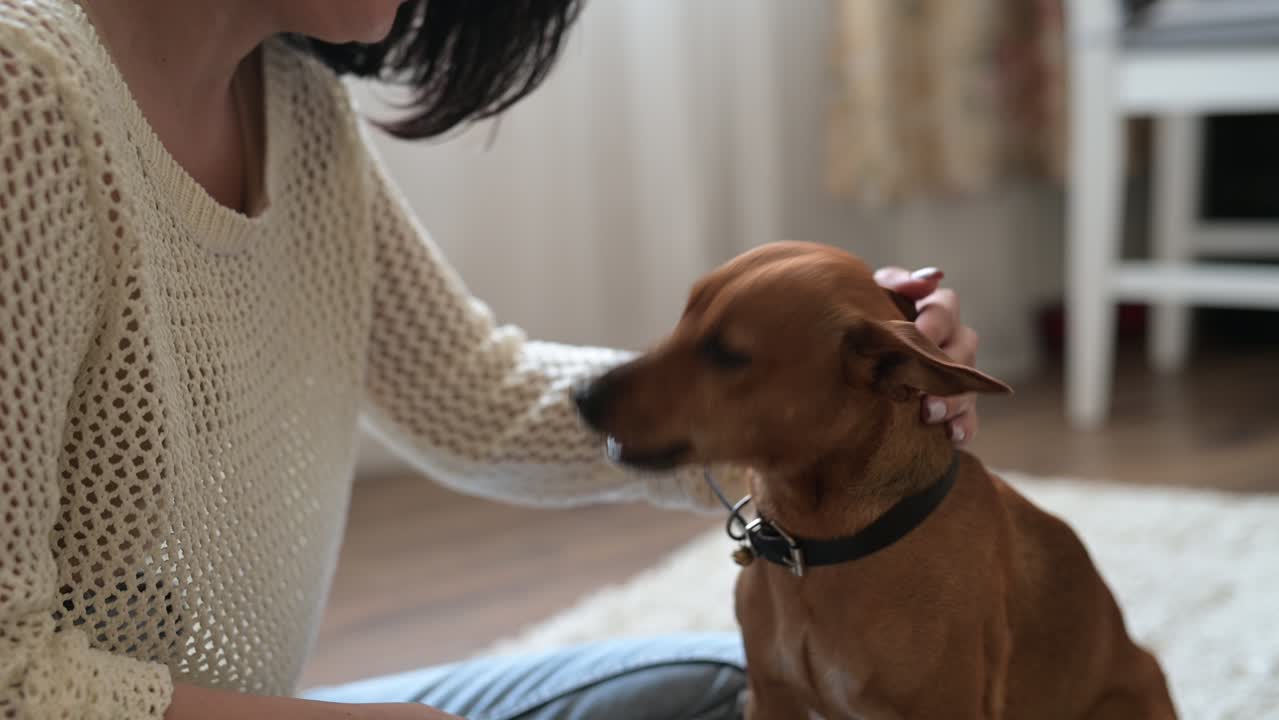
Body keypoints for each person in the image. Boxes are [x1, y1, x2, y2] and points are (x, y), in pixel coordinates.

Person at [0, 1, 982, 718]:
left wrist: (813, 420)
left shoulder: (293, 107)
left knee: (724, 693)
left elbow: (475, 394)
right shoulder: (25, 98)